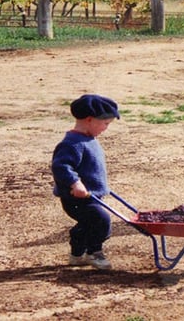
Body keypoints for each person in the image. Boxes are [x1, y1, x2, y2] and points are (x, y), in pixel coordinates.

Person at [52, 93, 121, 269]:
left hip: (91, 195)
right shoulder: (72, 143)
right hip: (76, 197)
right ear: (90, 120)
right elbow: (61, 166)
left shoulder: (89, 139)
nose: (106, 128)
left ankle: (77, 252)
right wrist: (75, 184)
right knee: (101, 220)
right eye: (105, 123)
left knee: (88, 224)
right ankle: (94, 252)